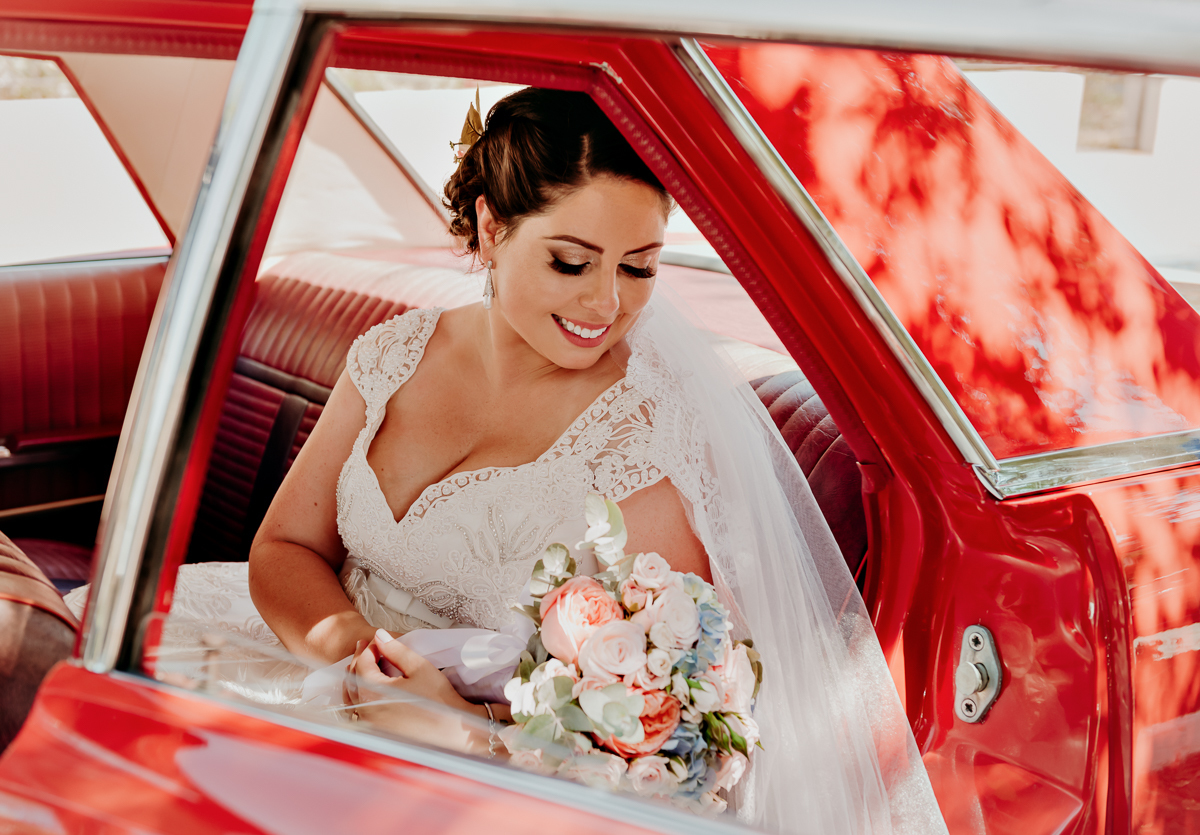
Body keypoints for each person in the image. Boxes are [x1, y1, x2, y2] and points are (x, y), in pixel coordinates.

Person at [67, 88, 946, 834]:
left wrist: (458, 723)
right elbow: (286, 550)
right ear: (490, 228)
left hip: (492, 754)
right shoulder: (390, 355)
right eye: (572, 261)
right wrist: (360, 661)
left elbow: (657, 712)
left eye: (640, 268)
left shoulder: (646, 433)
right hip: (319, 657)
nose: (607, 303)